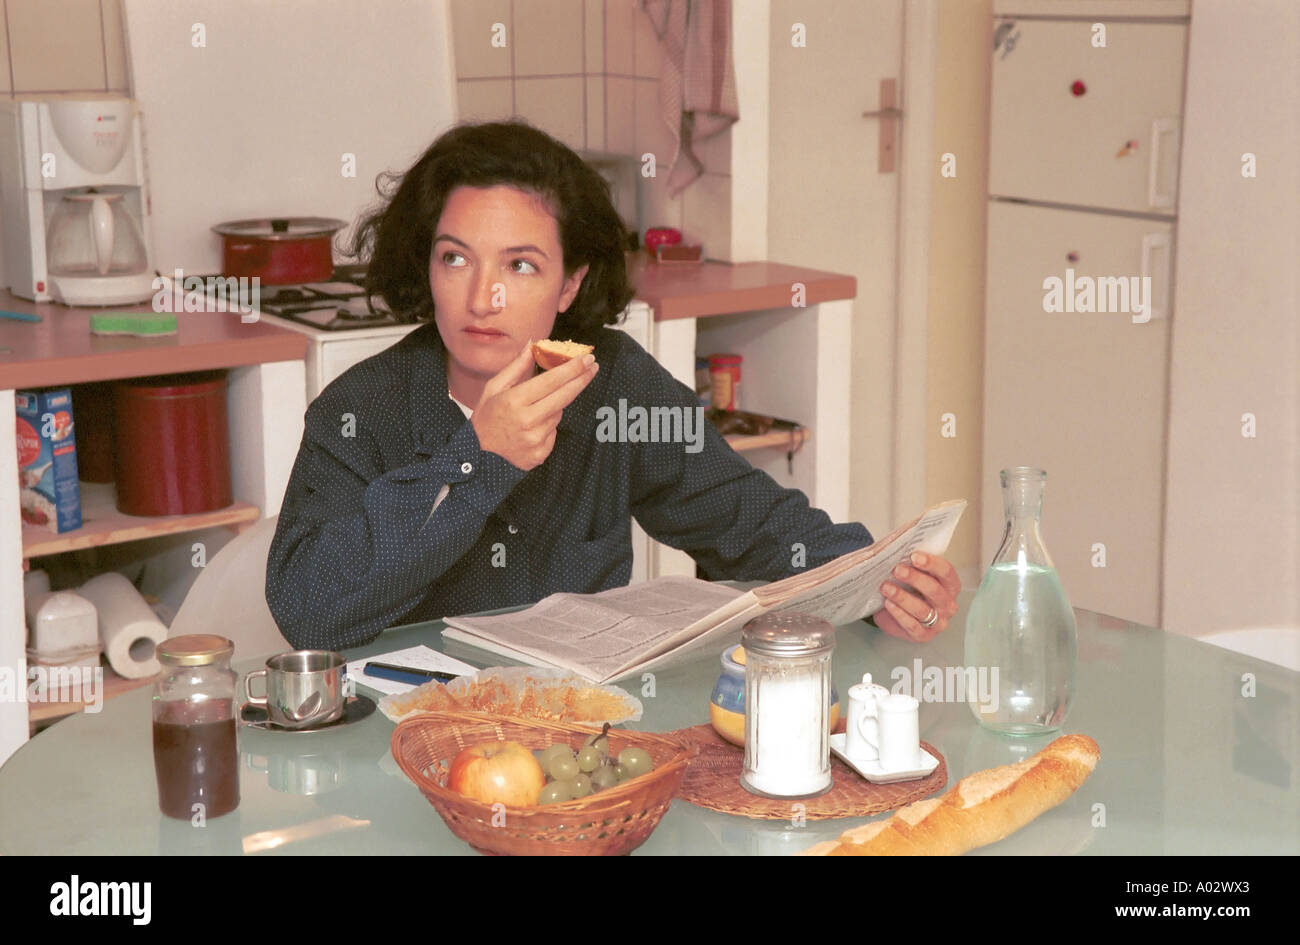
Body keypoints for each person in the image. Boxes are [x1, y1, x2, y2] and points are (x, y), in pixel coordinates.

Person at [265, 121, 960, 651]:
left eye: (522, 265)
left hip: (583, 742)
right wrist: (479, 455)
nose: (484, 297)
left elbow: (748, 521)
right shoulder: (360, 407)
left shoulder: (614, 383)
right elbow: (307, 608)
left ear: (571, 283)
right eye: (456, 258)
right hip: (410, 749)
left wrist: (879, 581)